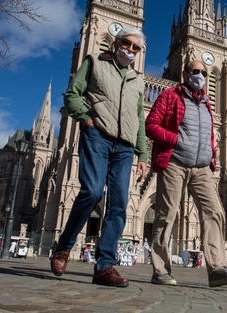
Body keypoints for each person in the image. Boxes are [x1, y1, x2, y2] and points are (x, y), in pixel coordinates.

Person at [50, 26, 147, 288]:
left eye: (136, 47)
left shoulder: (138, 80)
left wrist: (142, 154)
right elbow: (72, 94)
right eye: (126, 43)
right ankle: (64, 247)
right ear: (115, 44)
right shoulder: (94, 62)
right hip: (97, 136)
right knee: (92, 192)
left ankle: (104, 266)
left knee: (118, 205)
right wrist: (87, 120)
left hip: (125, 147)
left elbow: (139, 118)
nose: (130, 49)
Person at [145, 60, 227, 287]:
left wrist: (212, 154)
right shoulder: (170, 95)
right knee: (166, 214)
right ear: (184, 73)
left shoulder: (207, 103)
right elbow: (150, 125)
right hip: (175, 163)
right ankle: (160, 270)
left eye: (204, 72)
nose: (200, 75)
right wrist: (176, 141)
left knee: (214, 212)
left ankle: (217, 269)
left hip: (202, 168)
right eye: (195, 71)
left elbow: (208, 133)